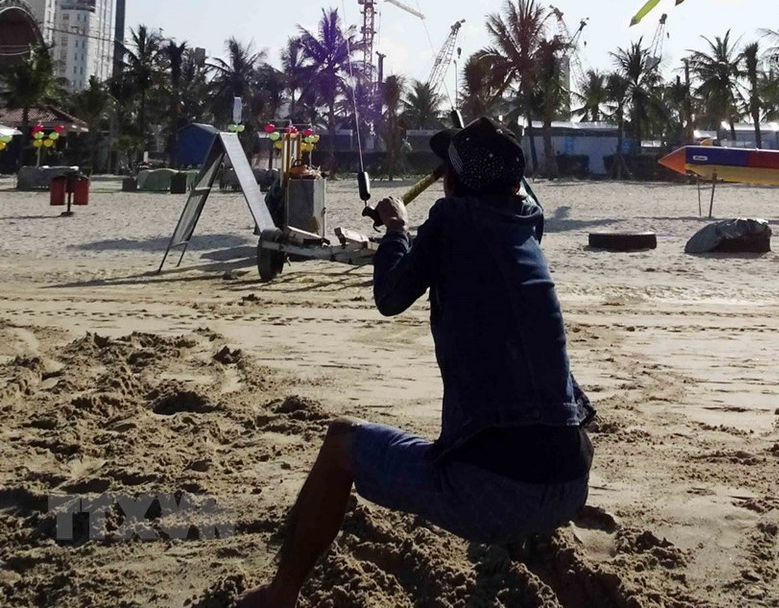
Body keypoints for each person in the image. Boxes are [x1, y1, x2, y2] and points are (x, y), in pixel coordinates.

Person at [238, 116, 594, 608]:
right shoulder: (526, 231)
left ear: (450, 184)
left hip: (499, 493)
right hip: (572, 480)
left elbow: (389, 296)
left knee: (341, 443)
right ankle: (519, 548)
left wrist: (397, 230)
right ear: (515, 186)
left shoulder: (452, 220)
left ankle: (279, 595)